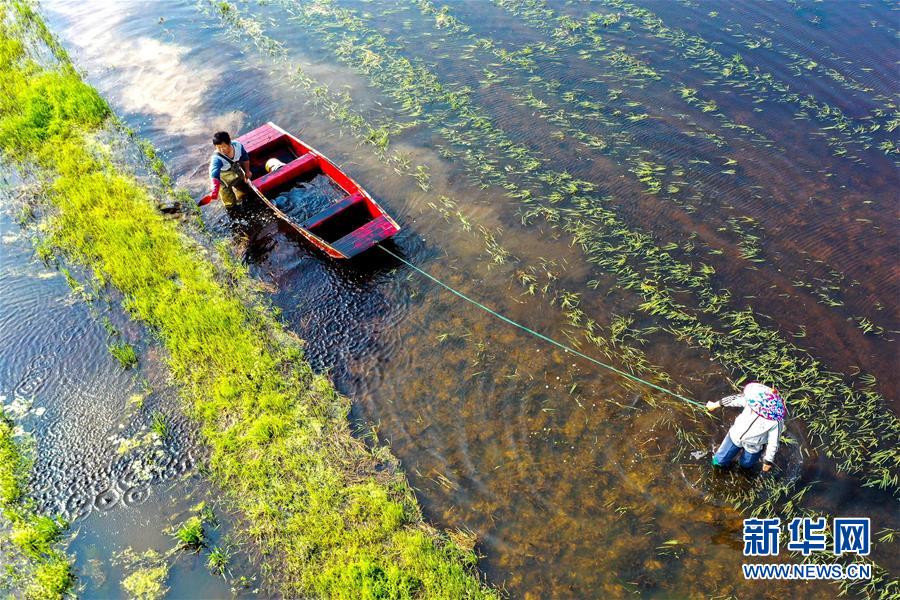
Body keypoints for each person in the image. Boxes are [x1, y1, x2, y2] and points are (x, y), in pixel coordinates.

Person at [706, 382, 786, 472]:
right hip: (735, 436)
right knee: (719, 461)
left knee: (746, 465)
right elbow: (733, 400)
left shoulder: (776, 421)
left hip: (754, 445)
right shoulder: (752, 400)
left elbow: (773, 443)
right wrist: (714, 405)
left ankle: (744, 467)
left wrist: (768, 461)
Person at [201, 131, 252, 207]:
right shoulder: (216, 158)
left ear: (229, 142)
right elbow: (214, 173)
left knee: (245, 191)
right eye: (218, 147)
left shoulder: (238, 146)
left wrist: (247, 172)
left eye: (223, 146)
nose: (221, 150)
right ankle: (232, 211)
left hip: (235, 171)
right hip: (222, 179)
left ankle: (242, 199)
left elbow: (245, 158)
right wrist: (215, 190)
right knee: (229, 203)